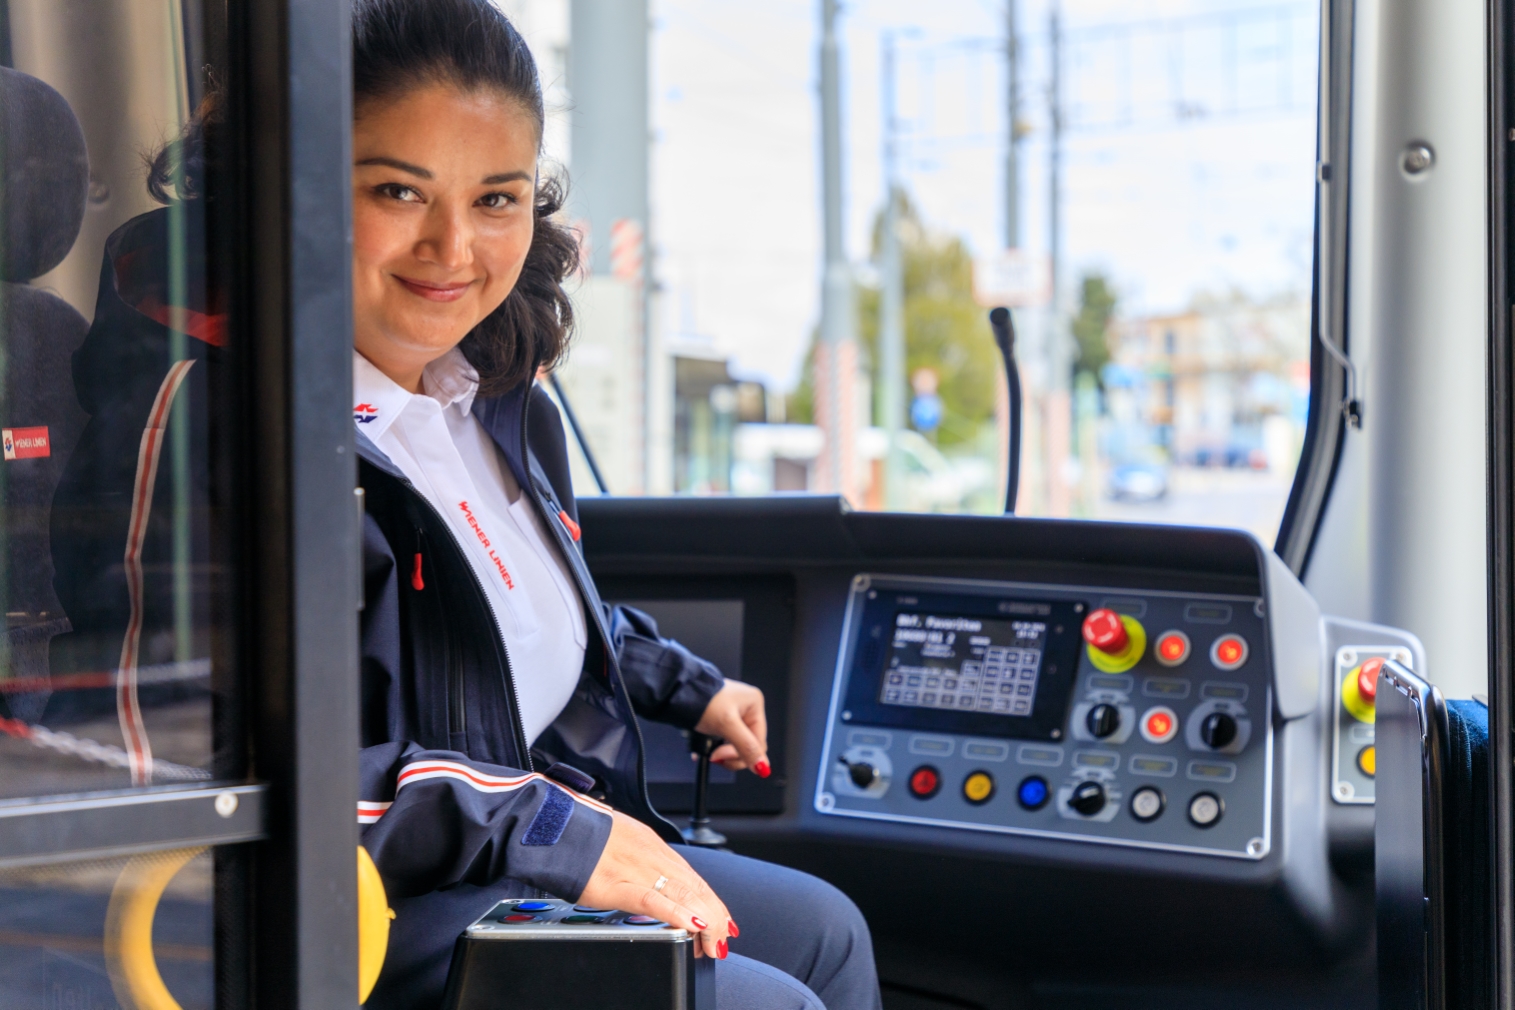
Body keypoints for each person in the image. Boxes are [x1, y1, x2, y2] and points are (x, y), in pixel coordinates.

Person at [345, 2, 882, 1008]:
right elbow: (238, 770)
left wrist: (683, 684)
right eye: (396, 189)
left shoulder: (493, 403)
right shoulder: (254, 434)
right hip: (370, 899)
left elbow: (517, 615)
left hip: (495, 846)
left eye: (496, 197)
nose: (453, 245)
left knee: (825, 934)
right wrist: (555, 830)